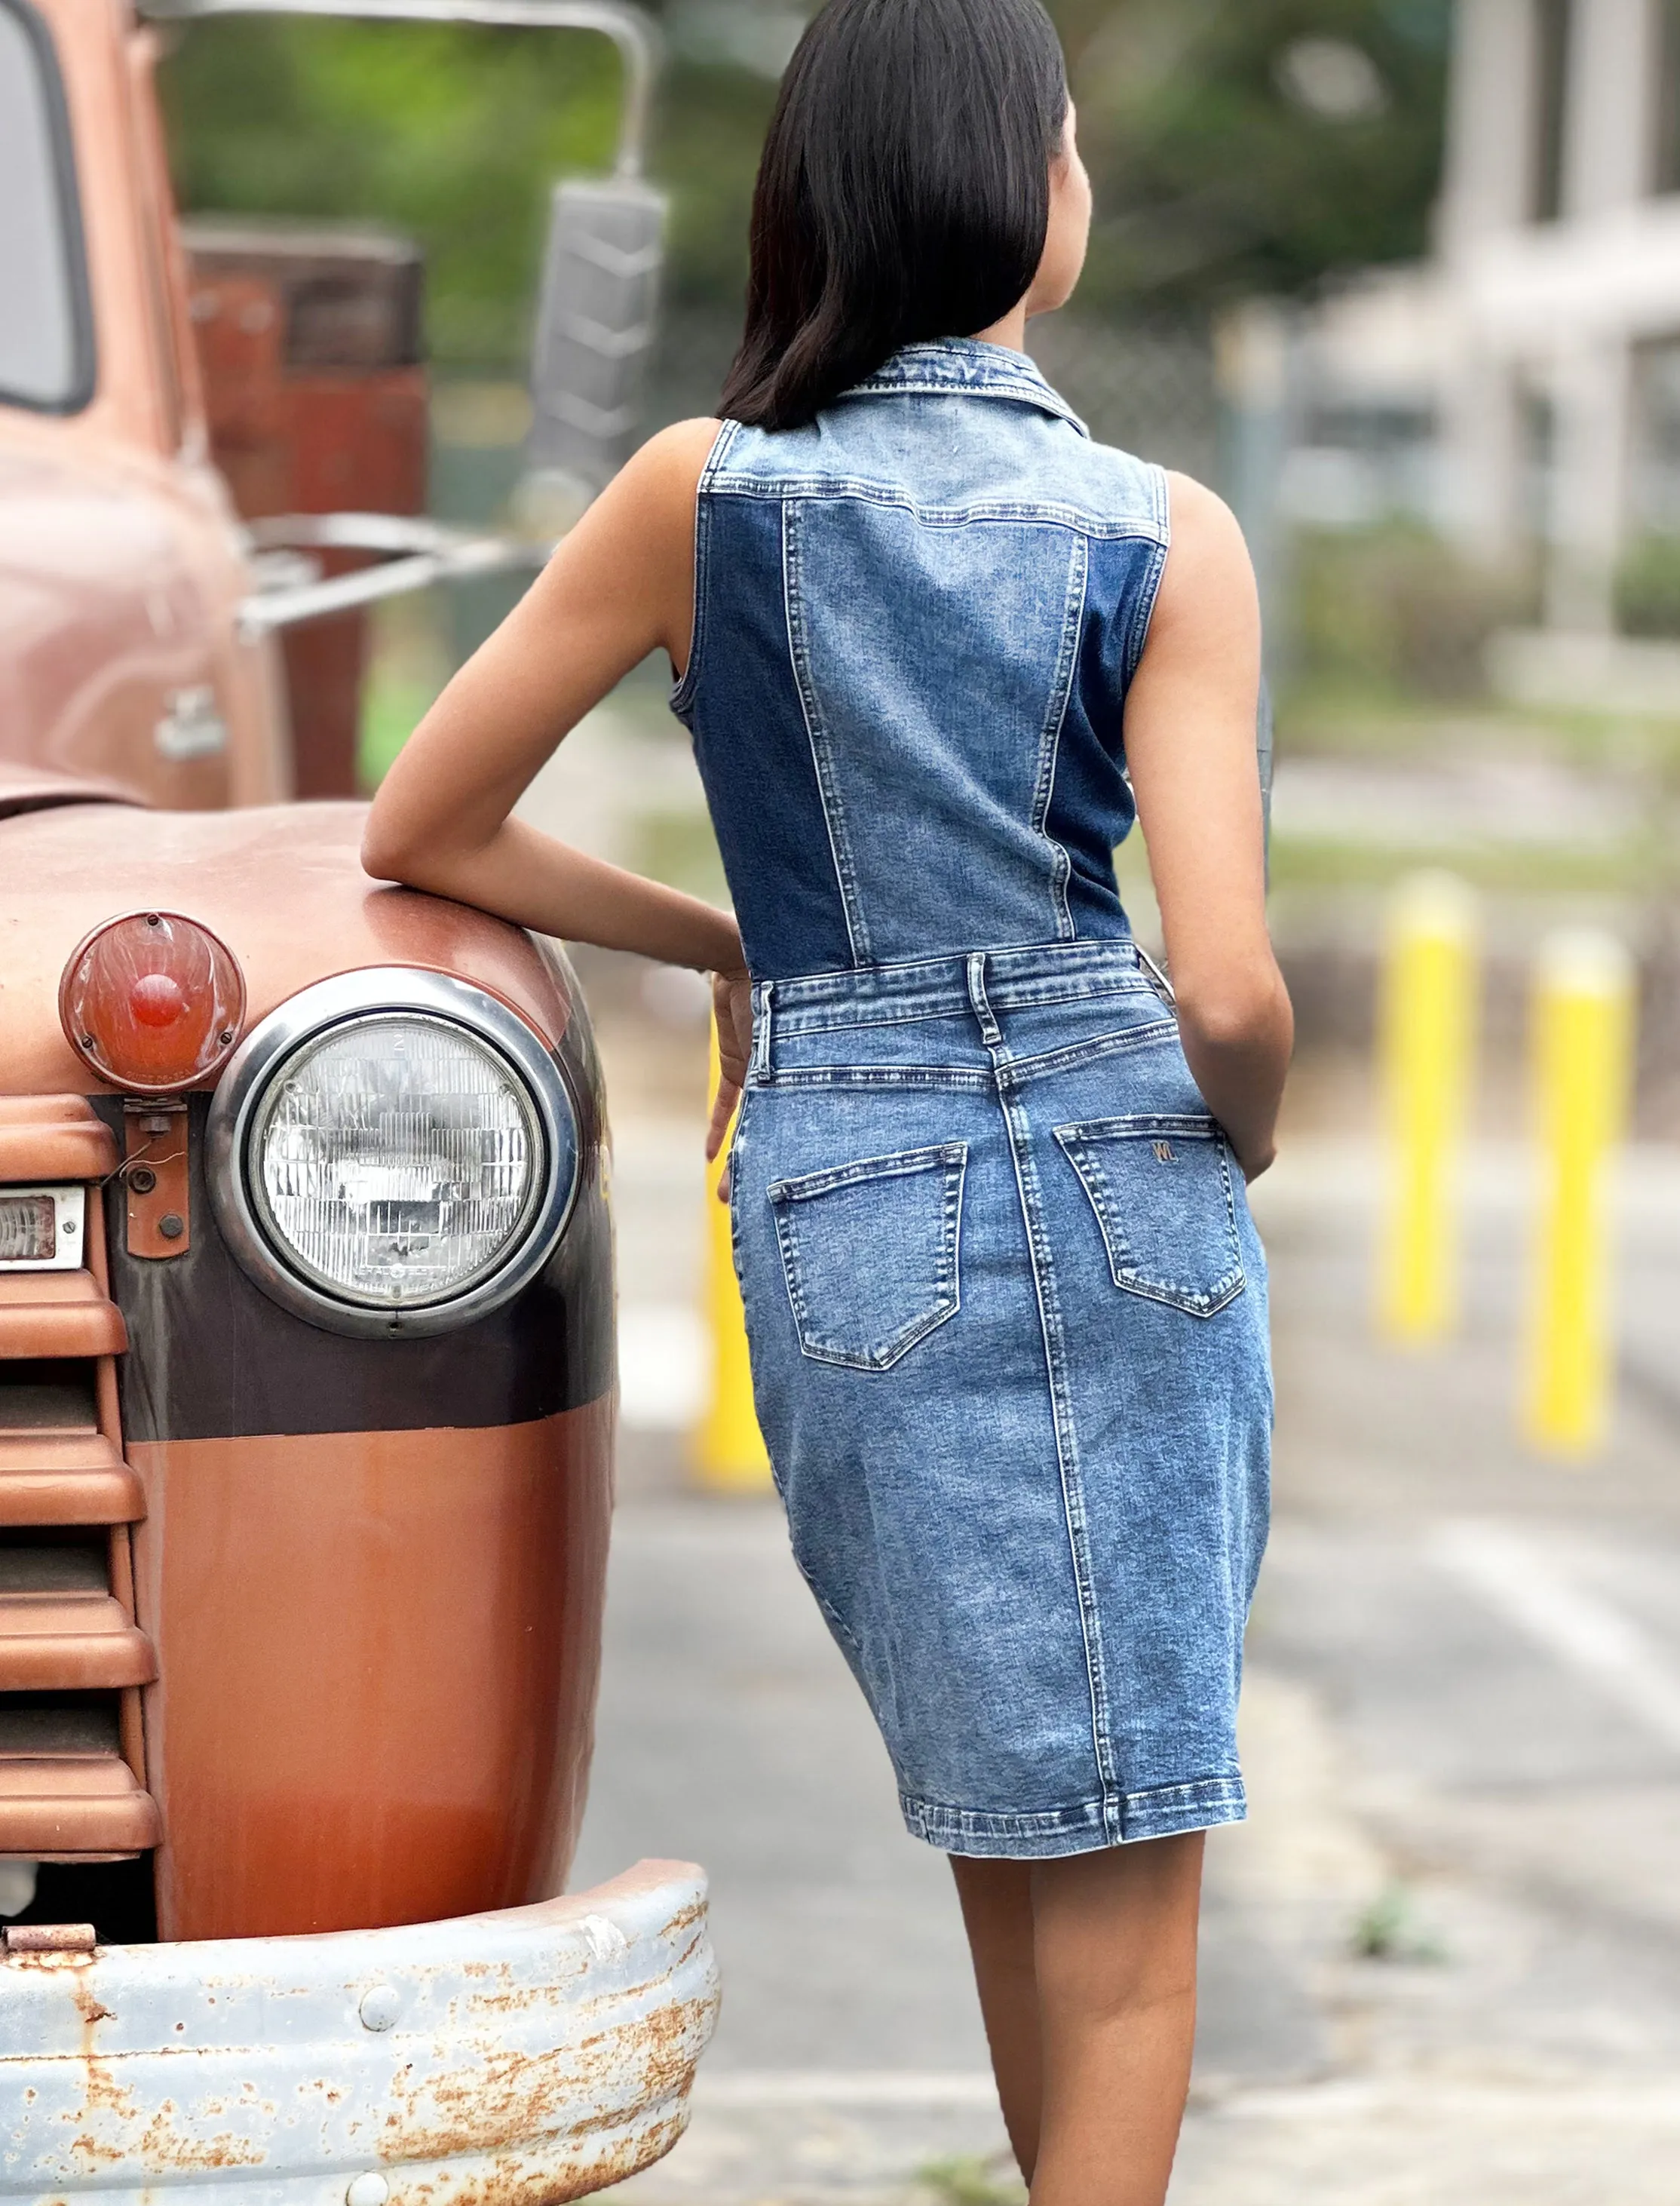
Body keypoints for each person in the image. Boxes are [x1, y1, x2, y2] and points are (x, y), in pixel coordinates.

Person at [363, 0, 1291, 2195]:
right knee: (1131, 1886)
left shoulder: (700, 493)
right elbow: (1231, 978)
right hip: (1116, 1157)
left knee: (1010, 1812)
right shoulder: (1163, 528)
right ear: (1026, 194)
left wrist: (738, 954)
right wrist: (1224, 1127)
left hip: (841, 1181)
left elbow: (430, 819)